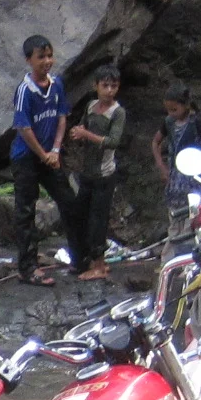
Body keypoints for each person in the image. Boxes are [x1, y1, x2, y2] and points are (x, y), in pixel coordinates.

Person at [11, 33, 78, 286]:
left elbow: (62, 116)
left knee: (69, 201)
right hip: (26, 158)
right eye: (41, 57)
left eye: (50, 56)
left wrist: (56, 151)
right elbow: (23, 128)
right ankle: (27, 268)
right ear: (29, 60)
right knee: (26, 210)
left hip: (51, 156)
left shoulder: (57, 84)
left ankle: (79, 257)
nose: (47, 61)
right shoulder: (25, 90)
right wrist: (43, 154)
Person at [67, 64, 127, 281]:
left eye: (114, 86)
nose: (109, 90)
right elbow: (83, 126)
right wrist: (78, 133)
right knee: (81, 216)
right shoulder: (91, 106)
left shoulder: (117, 112)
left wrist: (87, 134)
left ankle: (99, 266)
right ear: (96, 86)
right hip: (87, 172)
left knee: (98, 221)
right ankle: (87, 260)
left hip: (104, 174)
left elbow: (113, 142)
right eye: (105, 86)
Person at [154, 85, 201, 206]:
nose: (170, 113)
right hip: (174, 176)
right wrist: (161, 166)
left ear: (186, 105)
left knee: (193, 210)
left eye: (174, 109)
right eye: (168, 110)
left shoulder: (196, 122)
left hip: (193, 175)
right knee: (175, 210)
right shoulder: (169, 122)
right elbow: (155, 142)